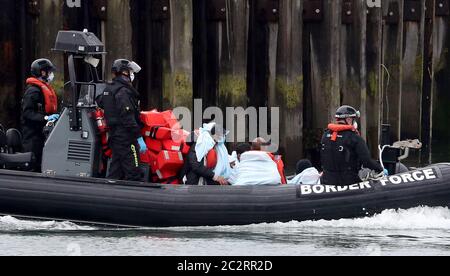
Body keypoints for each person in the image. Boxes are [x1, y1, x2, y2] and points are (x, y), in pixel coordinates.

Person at [97, 59, 147, 181]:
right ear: (124, 72)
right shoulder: (123, 91)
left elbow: (101, 102)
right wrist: (139, 137)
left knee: (116, 170)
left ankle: (109, 195)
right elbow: (128, 117)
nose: (132, 74)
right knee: (134, 171)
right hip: (126, 137)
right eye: (130, 71)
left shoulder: (109, 89)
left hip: (114, 135)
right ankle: (134, 197)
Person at [320, 105, 385, 186]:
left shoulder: (325, 135)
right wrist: (380, 169)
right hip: (347, 182)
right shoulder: (354, 138)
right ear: (348, 119)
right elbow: (367, 161)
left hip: (326, 182)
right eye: (353, 120)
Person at [21, 58, 60, 172]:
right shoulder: (33, 91)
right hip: (32, 137)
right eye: (49, 72)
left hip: (41, 134)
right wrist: (45, 118)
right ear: (42, 72)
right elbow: (27, 113)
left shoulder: (43, 89)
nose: (51, 75)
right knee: (34, 166)